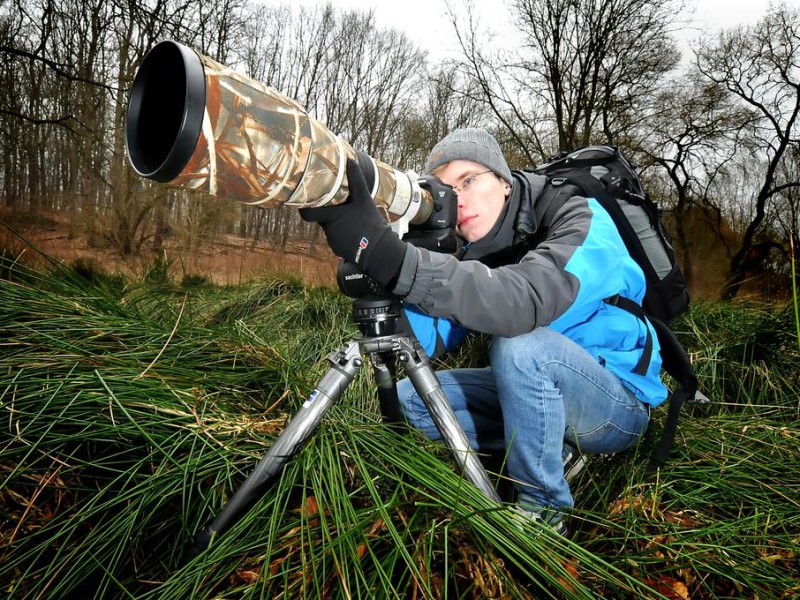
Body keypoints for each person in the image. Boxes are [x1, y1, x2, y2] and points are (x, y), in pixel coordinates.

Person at [300, 128, 667, 533]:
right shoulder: (480, 252)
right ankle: (551, 449)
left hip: (616, 403)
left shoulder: (580, 218)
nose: (460, 199)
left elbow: (524, 302)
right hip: (535, 389)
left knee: (521, 347)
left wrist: (398, 262)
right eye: (446, 190)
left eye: (469, 180)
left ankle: (543, 513)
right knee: (409, 400)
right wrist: (386, 272)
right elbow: (421, 341)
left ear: (505, 183)